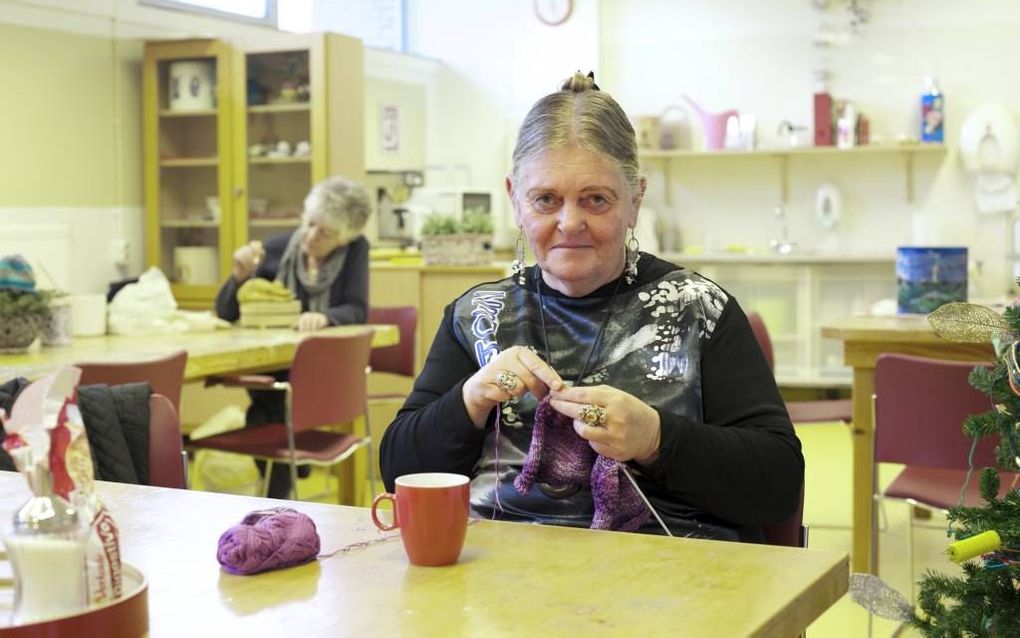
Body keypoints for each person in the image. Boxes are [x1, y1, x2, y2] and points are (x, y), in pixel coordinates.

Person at [379, 73, 803, 541]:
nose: (570, 222)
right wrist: (472, 398)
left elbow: (778, 484)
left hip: (673, 582)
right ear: (515, 202)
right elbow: (398, 472)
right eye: (546, 200)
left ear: (635, 200)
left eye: (595, 200)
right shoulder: (479, 316)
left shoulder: (697, 310)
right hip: (499, 581)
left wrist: (656, 438)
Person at [215, 175, 371, 498]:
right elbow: (226, 313)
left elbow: (357, 308)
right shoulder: (276, 249)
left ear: (343, 238)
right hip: (277, 369)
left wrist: (326, 317)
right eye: (310, 224)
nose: (311, 237)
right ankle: (283, 486)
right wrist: (238, 277)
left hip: (324, 369)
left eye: (325, 232)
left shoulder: (355, 251)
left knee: (267, 412)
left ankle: (280, 489)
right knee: (271, 408)